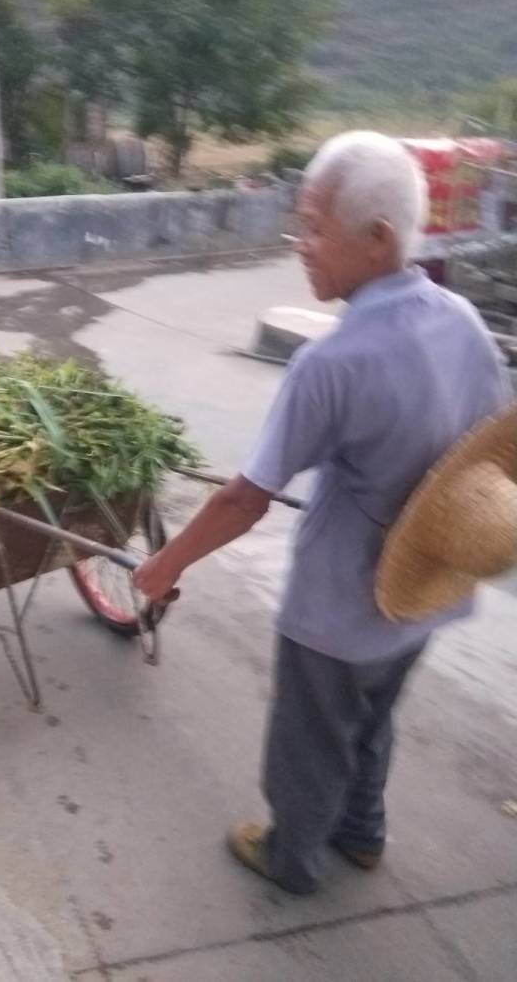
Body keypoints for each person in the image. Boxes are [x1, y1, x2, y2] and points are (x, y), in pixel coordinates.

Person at [133, 131, 513, 895]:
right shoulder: (463, 322)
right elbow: (487, 447)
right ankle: (363, 832)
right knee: (373, 721)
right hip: (425, 589)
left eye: (312, 226)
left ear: (377, 240)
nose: (298, 243)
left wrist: (162, 566)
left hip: (337, 606)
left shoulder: (330, 362)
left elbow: (246, 496)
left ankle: (293, 857)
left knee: (309, 741)